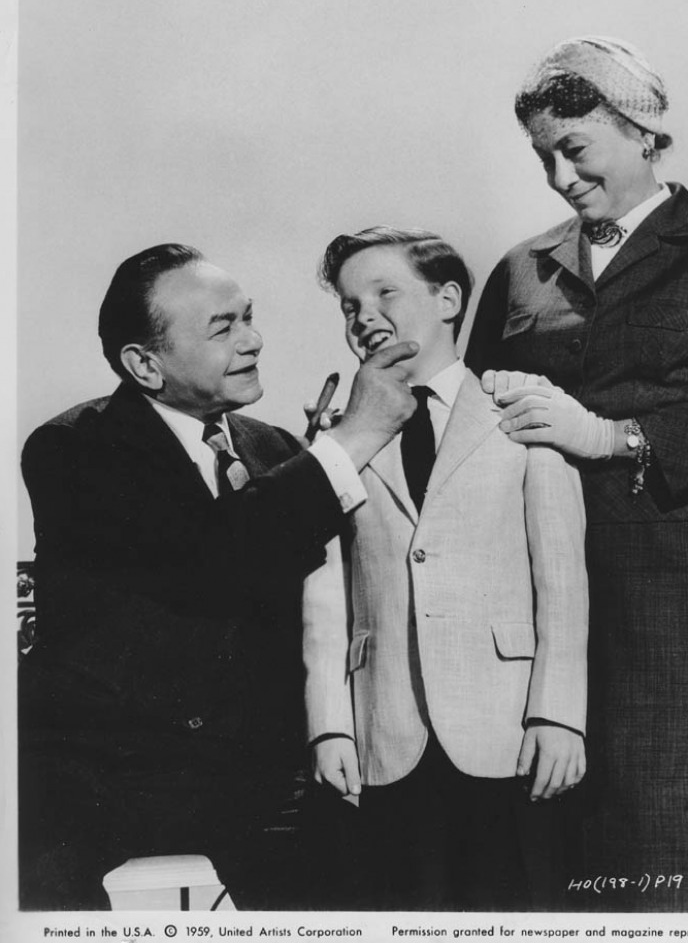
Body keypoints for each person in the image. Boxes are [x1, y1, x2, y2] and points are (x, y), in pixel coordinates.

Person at [18, 242, 418, 911]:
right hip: (109, 785)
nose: (253, 341)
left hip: (264, 781)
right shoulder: (73, 449)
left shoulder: (276, 448)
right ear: (145, 365)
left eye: (248, 317)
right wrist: (353, 437)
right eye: (222, 328)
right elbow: (212, 557)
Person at [465, 36, 688, 913]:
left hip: (667, 573)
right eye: (542, 157)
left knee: (662, 807)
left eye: (575, 148)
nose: (560, 177)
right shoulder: (521, 268)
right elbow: (468, 411)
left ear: (642, 132)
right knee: (539, 818)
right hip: (527, 575)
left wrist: (612, 437)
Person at [302, 227, 589, 911]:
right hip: (384, 726)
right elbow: (326, 598)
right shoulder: (338, 438)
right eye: (349, 305)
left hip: (506, 726)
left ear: (449, 300)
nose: (364, 315)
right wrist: (330, 725)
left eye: (385, 293)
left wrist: (559, 715)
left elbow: (562, 583)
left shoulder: (521, 410)